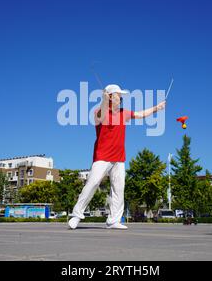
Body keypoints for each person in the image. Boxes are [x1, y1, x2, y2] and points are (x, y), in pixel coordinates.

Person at [68, 84, 166, 230]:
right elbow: (100, 117)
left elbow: (140, 114)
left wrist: (156, 108)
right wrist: (103, 100)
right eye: (118, 95)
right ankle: (76, 215)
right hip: (102, 156)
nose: (121, 98)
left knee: (119, 189)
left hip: (119, 158)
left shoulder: (123, 113)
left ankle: (113, 220)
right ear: (110, 96)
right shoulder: (99, 112)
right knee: (93, 183)